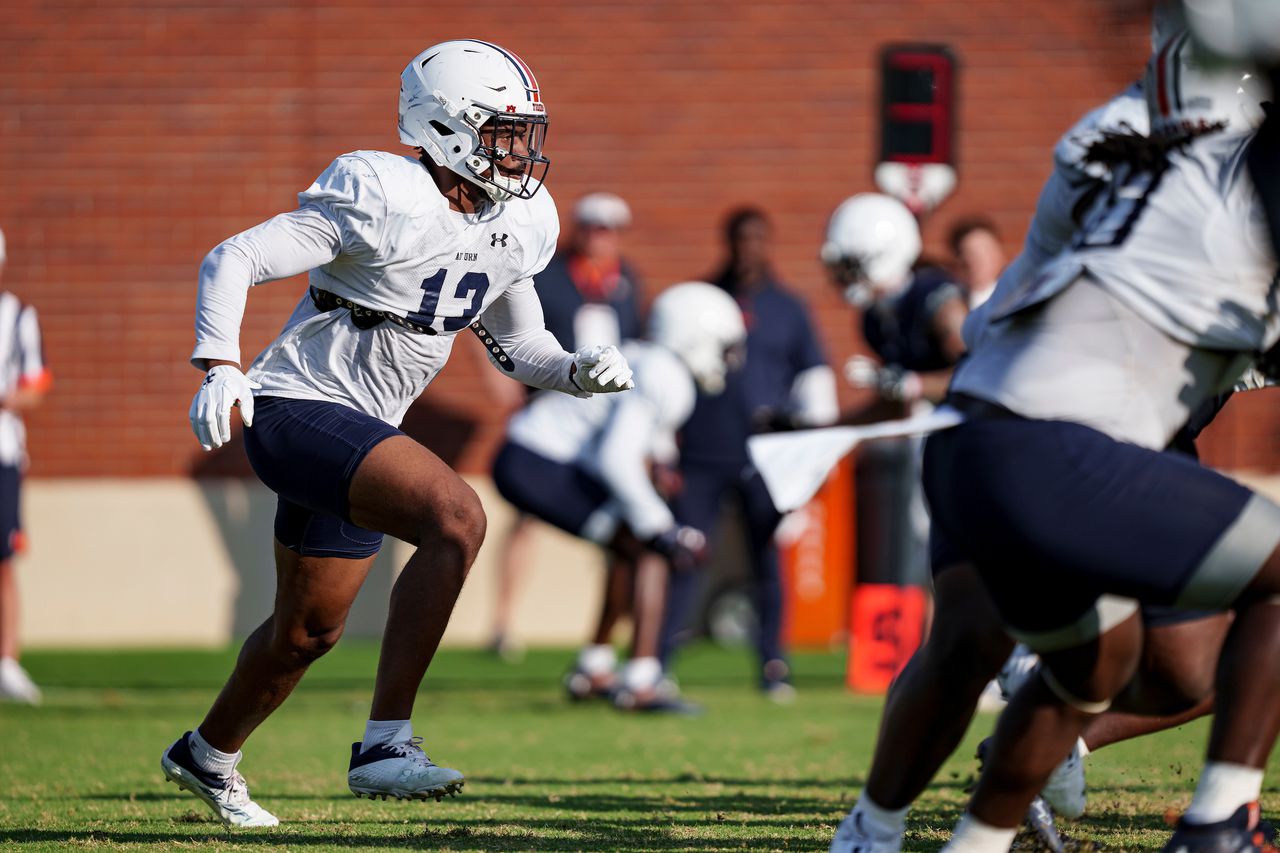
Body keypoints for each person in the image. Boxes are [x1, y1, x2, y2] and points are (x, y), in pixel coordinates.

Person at [161, 39, 635, 828]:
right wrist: (219, 362)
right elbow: (235, 256)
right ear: (444, 127)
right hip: (292, 406)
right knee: (457, 515)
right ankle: (386, 742)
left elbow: (522, 347)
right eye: (502, 132)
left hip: (361, 429)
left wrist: (579, 370)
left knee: (307, 632)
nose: (519, 152)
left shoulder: (520, 221)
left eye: (523, 134)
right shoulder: (382, 191)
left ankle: (207, 753)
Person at [826, 34, 1239, 852]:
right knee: (974, 636)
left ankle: (1039, 770)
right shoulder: (1138, 163)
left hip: (1132, 435)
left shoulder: (1195, 178)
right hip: (1038, 424)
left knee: (1180, 662)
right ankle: (1219, 818)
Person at [929, 36, 1279, 852]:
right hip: (1087, 439)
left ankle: (982, 824)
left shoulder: (1127, 152)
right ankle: (1218, 822)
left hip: (1015, 428)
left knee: (1180, 665)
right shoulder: (1212, 186)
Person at [493, 282, 746, 711]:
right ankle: (642, 681)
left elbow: (643, 447)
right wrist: (664, 528)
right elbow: (617, 459)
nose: (726, 357)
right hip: (539, 461)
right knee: (649, 547)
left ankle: (595, 667)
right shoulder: (666, 374)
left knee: (630, 545)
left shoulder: (651, 361)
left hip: (529, 456)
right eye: (722, 345)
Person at [661, 207, 838, 702]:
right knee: (686, 552)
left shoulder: (788, 306)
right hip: (702, 450)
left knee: (768, 557)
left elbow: (812, 380)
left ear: (768, 243)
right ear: (728, 242)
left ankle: (772, 662)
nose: (748, 249)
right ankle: (658, 659)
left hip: (767, 454)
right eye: (740, 239)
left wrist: (815, 458)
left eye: (757, 239)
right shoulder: (700, 299)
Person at [488, 190, 644, 661]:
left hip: (606, 415)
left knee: (621, 515)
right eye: (594, 227)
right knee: (528, 515)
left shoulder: (626, 282)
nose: (601, 238)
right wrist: (504, 379)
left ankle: (621, 632)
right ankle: (503, 622)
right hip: (553, 407)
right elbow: (495, 321)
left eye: (609, 229)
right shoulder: (551, 276)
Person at [0, 226, 52, 705]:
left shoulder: (16, 316)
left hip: (3, 452)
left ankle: (7, 662)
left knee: (3, 559)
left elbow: (36, 383)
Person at [947, 216, 1006, 308]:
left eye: (985, 250)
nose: (979, 259)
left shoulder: (1014, 296)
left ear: (999, 255)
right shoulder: (948, 300)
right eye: (971, 253)